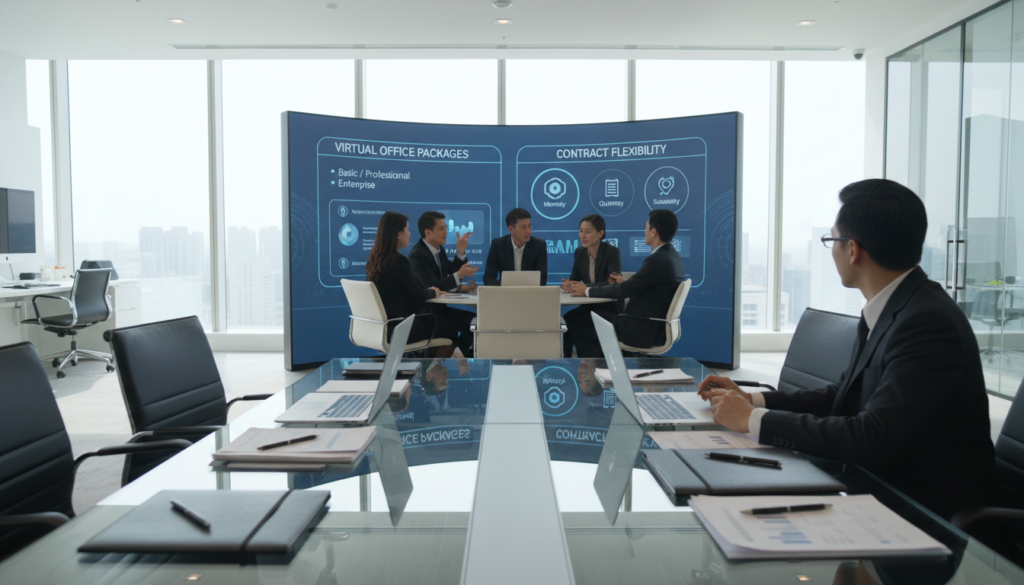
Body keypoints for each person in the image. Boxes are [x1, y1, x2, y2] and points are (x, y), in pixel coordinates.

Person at [697, 178, 996, 520]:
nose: (833, 251)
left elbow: (873, 436)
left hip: (925, 515)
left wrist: (752, 420)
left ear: (852, 249)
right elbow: (845, 395)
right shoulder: (896, 305)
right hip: (876, 488)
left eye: (833, 241)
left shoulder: (927, 323)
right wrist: (755, 402)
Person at [567, 209, 685, 350]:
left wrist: (586, 291)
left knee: (580, 326)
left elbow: (623, 291)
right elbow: (643, 288)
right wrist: (626, 283)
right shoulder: (672, 257)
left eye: (646, 228)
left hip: (643, 328)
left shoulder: (657, 260)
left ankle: (593, 369)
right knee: (579, 320)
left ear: (653, 232)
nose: (644, 232)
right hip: (653, 325)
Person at [365, 211, 459, 358]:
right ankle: (429, 372)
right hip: (402, 326)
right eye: (407, 230)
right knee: (452, 327)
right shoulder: (398, 261)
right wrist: (433, 291)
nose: (409, 234)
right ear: (398, 234)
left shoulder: (375, 260)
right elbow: (418, 295)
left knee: (446, 323)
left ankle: (430, 372)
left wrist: (427, 290)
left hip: (384, 327)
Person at [408, 210, 479, 357]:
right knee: (461, 326)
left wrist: (460, 252)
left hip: (440, 310)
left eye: (446, 227)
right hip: (426, 314)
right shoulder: (417, 255)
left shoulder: (439, 249)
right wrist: (459, 275)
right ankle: (445, 359)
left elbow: (450, 271)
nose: (446, 232)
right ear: (428, 232)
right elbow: (432, 285)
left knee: (475, 322)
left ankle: (457, 355)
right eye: (441, 229)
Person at [560, 214, 622, 357]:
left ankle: (590, 363)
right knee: (569, 319)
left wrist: (584, 286)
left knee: (579, 325)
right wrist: (569, 285)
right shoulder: (580, 252)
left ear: (600, 233)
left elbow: (612, 284)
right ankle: (568, 359)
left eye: (588, 231)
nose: (583, 235)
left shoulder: (612, 252)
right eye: (581, 231)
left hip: (610, 307)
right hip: (589, 305)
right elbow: (575, 279)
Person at [483, 208, 548, 286]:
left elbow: (542, 280)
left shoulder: (539, 245)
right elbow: (488, 279)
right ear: (511, 229)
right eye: (523, 227)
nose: (528, 231)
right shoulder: (498, 245)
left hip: (530, 294)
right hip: (506, 294)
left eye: (529, 226)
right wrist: (511, 287)